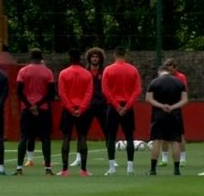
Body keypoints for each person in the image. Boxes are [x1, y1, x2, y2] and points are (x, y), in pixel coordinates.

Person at [14, 49, 55, 176]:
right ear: (41, 57)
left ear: (30, 58)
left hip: (26, 109)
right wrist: (37, 105)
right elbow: (51, 93)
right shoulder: (48, 72)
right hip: (43, 109)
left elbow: (19, 92)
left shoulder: (23, 71)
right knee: (45, 138)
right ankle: (48, 168)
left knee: (24, 137)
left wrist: (30, 105)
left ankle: (19, 167)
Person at [101, 46, 141, 175]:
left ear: (114, 55)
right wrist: (127, 105)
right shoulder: (133, 70)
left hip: (113, 107)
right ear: (125, 55)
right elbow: (137, 90)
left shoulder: (108, 69)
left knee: (111, 137)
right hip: (127, 107)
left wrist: (116, 106)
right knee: (129, 136)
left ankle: (112, 168)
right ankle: (130, 167)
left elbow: (105, 90)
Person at [69, 47, 109, 168]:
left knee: (108, 132)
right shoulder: (84, 71)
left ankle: (111, 158)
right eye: (93, 57)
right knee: (82, 133)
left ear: (100, 58)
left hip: (102, 105)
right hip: (87, 105)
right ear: (89, 58)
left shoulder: (105, 71)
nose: (95, 59)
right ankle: (78, 158)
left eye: (97, 57)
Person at [57, 48, 94, 177]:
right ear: (80, 59)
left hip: (68, 110)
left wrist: (71, 109)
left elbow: (62, 93)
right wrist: (81, 108)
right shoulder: (87, 74)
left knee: (66, 137)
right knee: (82, 137)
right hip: (83, 110)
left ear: (70, 58)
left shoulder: (64, 73)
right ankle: (83, 169)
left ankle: (65, 169)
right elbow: (89, 93)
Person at [146, 65, 187, 175]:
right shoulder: (179, 83)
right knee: (175, 141)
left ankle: (153, 169)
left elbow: (149, 99)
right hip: (175, 114)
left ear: (160, 72)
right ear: (169, 72)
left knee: (156, 140)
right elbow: (185, 100)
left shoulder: (154, 82)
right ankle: (176, 169)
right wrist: (172, 107)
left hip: (158, 115)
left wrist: (162, 106)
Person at [160, 58, 188, 167]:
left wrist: (175, 105)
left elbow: (184, 93)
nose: (169, 71)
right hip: (164, 107)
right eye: (167, 69)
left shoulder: (181, 77)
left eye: (171, 68)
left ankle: (183, 158)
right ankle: (164, 158)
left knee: (180, 134)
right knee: (163, 135)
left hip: (176, 108)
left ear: (175, 68)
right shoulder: (163, 77)